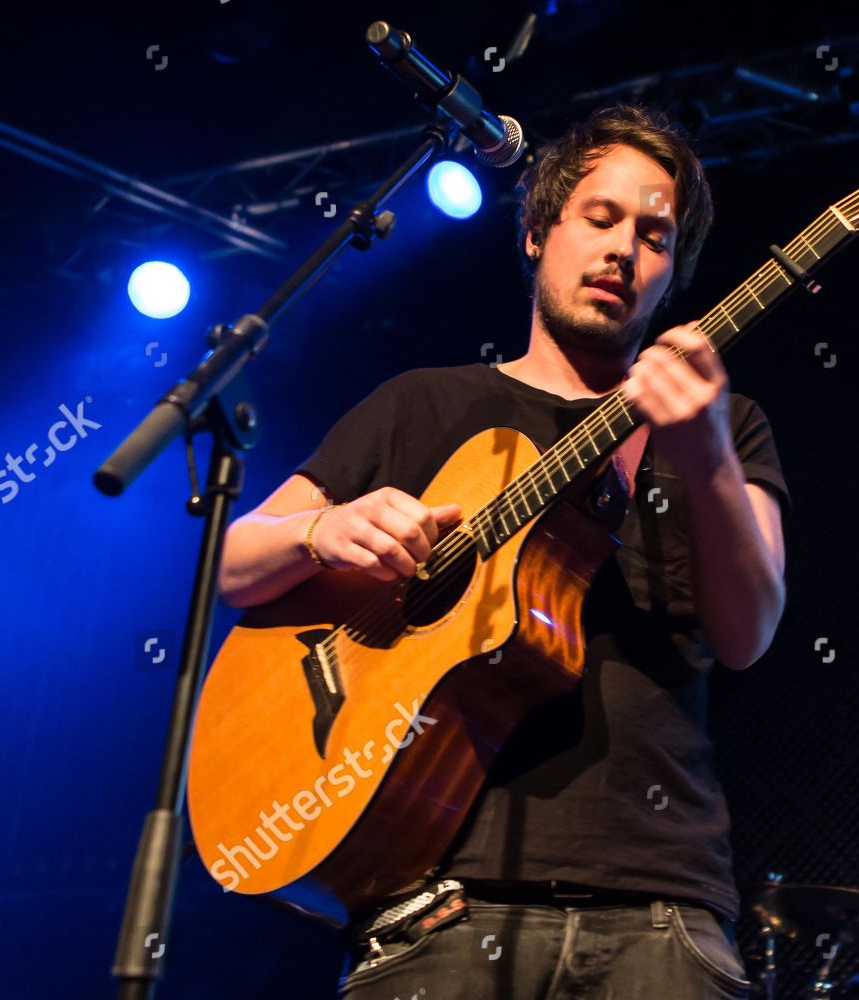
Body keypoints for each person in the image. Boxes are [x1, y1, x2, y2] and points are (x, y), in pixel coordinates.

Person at [217, 103, 790, 1000]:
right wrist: (319, 531)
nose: (622, 251)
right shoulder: (422, 404)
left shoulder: (727, 424)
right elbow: (233, 563)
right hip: (432, 908)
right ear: (535, 234)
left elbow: (750, 632)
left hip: (660, 911)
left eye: (654, 236)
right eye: (599, 219)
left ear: (672, 272)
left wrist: (708, 448)